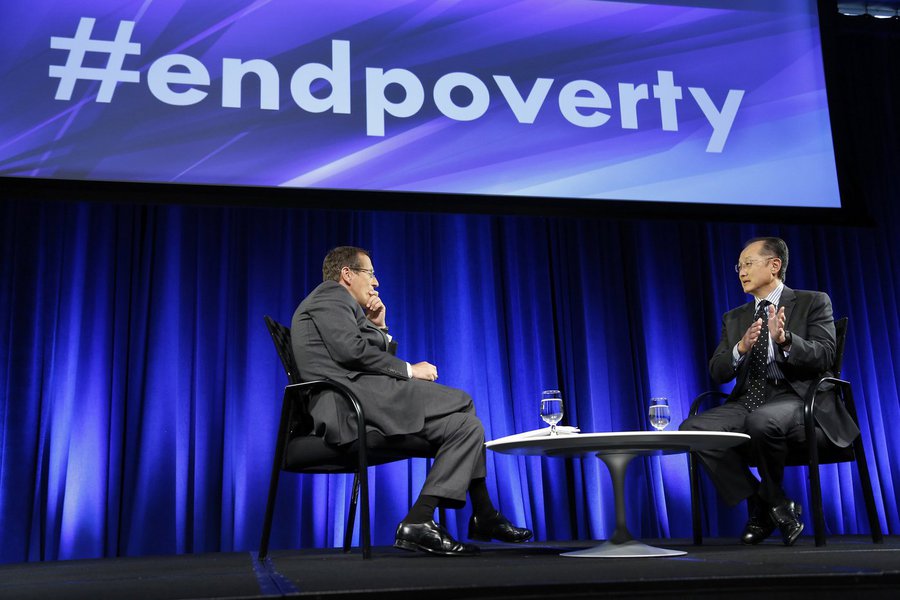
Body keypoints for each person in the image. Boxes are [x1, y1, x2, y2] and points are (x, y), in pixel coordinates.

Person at [291, 246, 532, 556]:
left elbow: (362, 353)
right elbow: (350, 352)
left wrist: (379, 326)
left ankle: (420, 519)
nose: (376, 282)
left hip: (365, 397)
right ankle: (483, 513)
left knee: (466, 426)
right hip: (349, 406)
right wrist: (409, 370)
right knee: (462, 401)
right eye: (370, 273)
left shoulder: (344, 307)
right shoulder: (330, 295)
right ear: (347, 274)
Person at [680, 237, 858, 546]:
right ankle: (769, 502)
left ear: (774, 265)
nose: (741, 272)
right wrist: (740, 348)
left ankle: (765, 505)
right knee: (693, 429)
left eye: (748, 264)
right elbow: (718, 371)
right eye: (739, 266)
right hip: (749, 399)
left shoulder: (813, 301)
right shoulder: (734, 317)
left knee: (761, 420)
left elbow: (826, 355)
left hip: (798, 397)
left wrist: (786, 339)